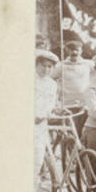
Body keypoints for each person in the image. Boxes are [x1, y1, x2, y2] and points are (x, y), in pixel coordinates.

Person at [35, 49, 60, 181]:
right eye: (43, 65)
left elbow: (50, 104)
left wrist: (46, 114)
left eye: (49, 66)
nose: (46, 69)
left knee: (37, 159)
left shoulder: (52, 84)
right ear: (36, 65)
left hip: (41, 125)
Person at [53, 37, 92, 108]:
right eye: (71, 50)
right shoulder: (61, 66)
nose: (74, 52)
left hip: (85, 103)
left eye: (77, 50)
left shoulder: (89, 64)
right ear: (67, 50)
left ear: (81, 51)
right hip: (66, 103)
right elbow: (50, 79)